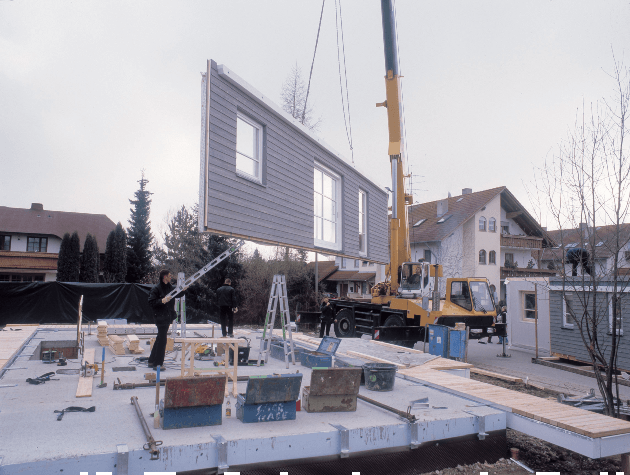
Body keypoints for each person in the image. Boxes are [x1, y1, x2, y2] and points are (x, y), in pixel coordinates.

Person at [148, 269, 180, 371]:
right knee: (162, 340)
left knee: (159, 338)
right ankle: (158, 364)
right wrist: (161, 301)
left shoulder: (169, 288)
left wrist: (183, 291)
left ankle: (151, 360)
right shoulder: (156, 289)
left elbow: (177, 293)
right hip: (160, 317)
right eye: (169, 275)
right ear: (164, 277)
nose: (171, 277)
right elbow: (151, 302)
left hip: (167, 317)